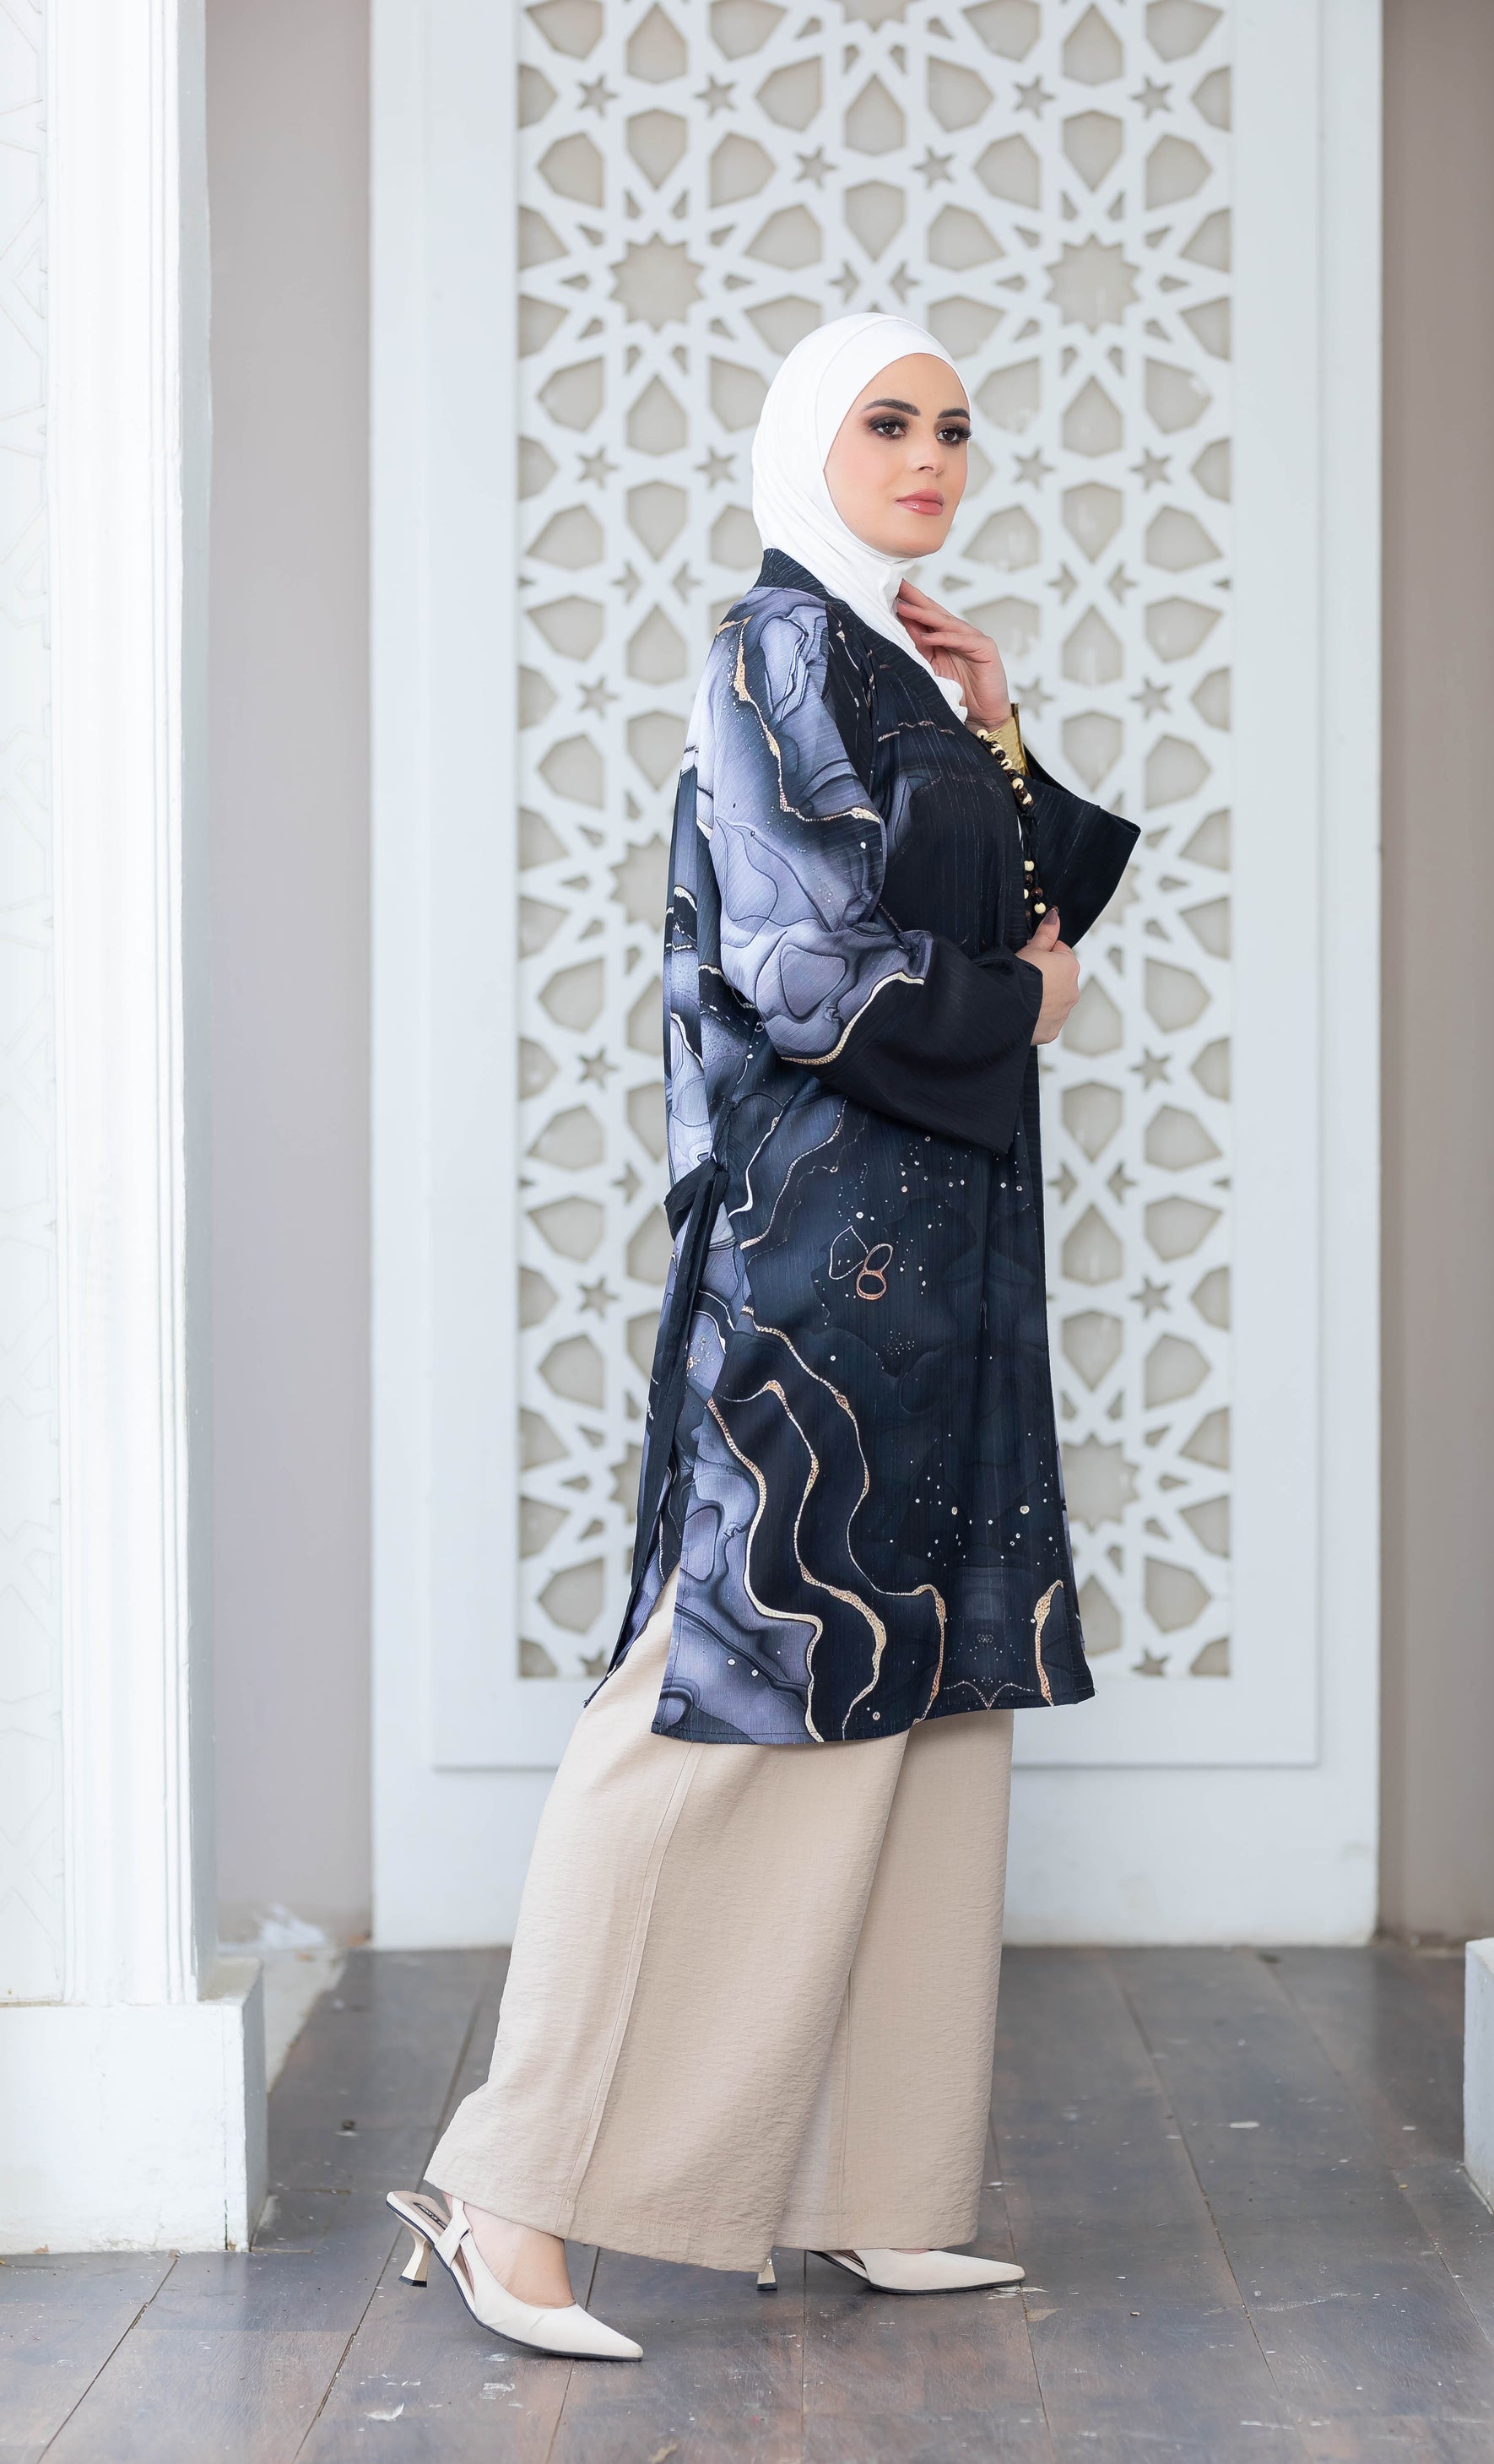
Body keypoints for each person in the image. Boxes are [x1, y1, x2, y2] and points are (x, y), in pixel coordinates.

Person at [387, 313, 1139, 2359]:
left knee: (930, 1689)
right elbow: (817, 967)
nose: (930, 454)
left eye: (954, 427)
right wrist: (1034, 1010)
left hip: (943, 1252)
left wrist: (998, 729)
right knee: (717, 1694)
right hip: (816, 1261)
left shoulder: (893, 660)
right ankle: (507, 2187)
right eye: (886, 421)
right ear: (807, 441)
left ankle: (873, 2182)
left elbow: (1005, 898)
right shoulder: (776, 648)